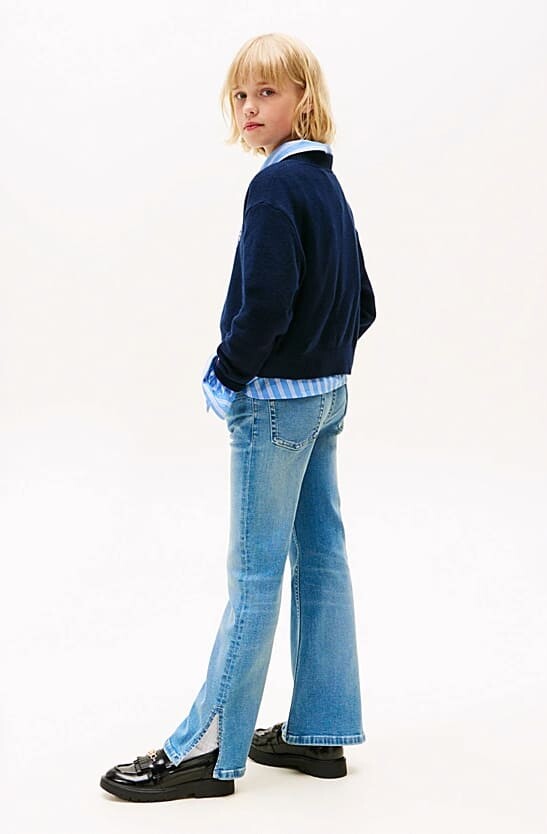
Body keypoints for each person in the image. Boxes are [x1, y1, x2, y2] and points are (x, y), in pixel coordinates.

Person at [100, 31, 376, 802]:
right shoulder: (327, 185)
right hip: (327, 397)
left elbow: (265, 308)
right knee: (322, 558)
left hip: (275, 406)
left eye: (268, 93)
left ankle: (205, 749)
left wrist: (227, 376)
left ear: (303, 98)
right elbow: (364, 303)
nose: (251, 108)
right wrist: (323, 359)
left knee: (254, 574)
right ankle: (319, 732)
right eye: (241, 96)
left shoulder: (274, 189)